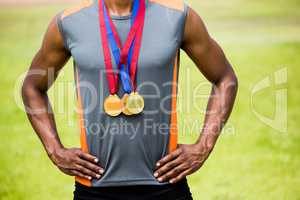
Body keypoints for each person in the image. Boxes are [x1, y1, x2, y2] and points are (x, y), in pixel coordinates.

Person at [21, 0, 238, 199]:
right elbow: (32, 87)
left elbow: (224, 79)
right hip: (94, 190)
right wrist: (55, 150)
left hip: (166, 185)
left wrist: (203, 146)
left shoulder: (178, 16)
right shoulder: (69, 22)